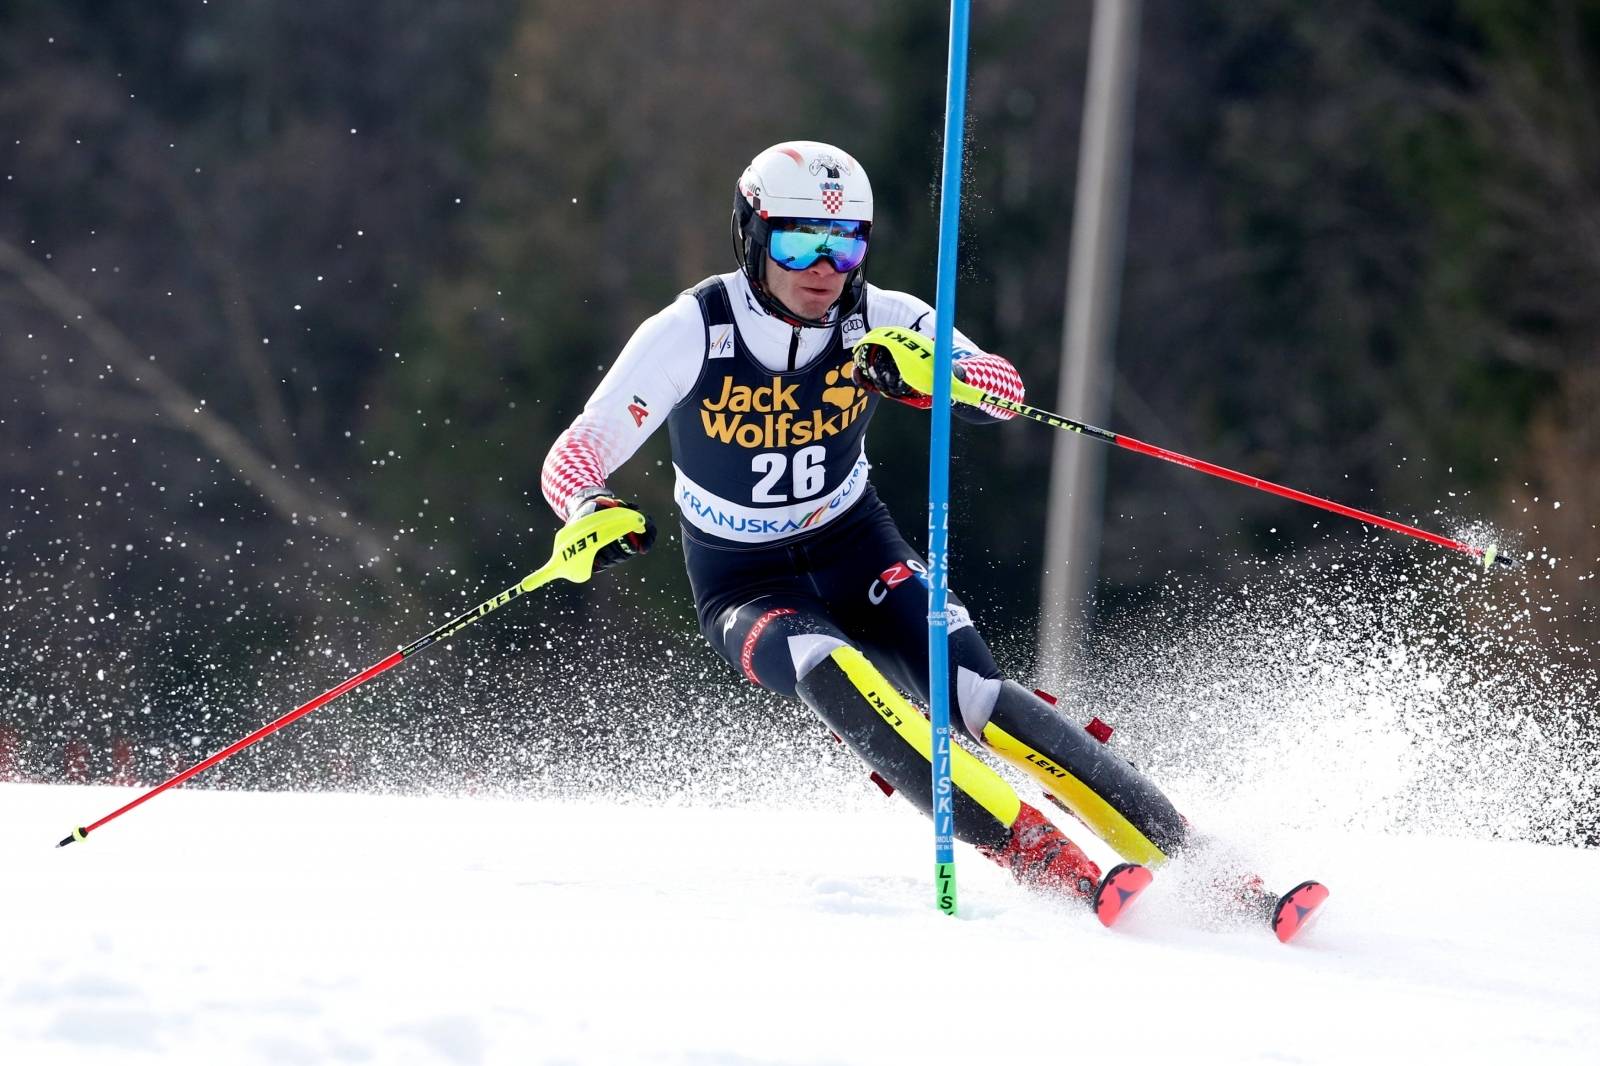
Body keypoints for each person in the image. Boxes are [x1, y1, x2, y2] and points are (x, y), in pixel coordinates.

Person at [540, 140, 1193, 910]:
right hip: (743, 578)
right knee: (832, 670)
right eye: (799, 242)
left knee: (977, 696)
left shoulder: (883, 318)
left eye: (846, 243)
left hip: (856, 545)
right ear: (752, 236)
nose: (825, 268)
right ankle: (1041, 857)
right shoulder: (693, 328)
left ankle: (1197, 859)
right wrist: (592, 507)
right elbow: (575, 452)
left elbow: (1004, 389)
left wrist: (935, 375)